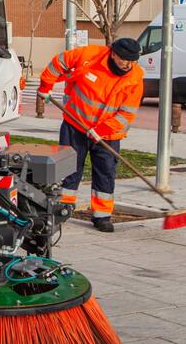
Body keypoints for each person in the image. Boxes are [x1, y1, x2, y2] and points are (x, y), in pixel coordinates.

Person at [37, 38, 143, 233]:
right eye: (124, 59)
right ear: (113, 53)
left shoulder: (135, 79)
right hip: (75, 124)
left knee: (105, 172)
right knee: (69, 168)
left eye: (132, 61)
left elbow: (127, 114)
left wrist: (102, 130)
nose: (127, 64)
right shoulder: (89, 56)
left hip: (107, 135)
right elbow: (58, 62)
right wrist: (45, 86)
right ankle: (63, 208)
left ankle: (102, 216)